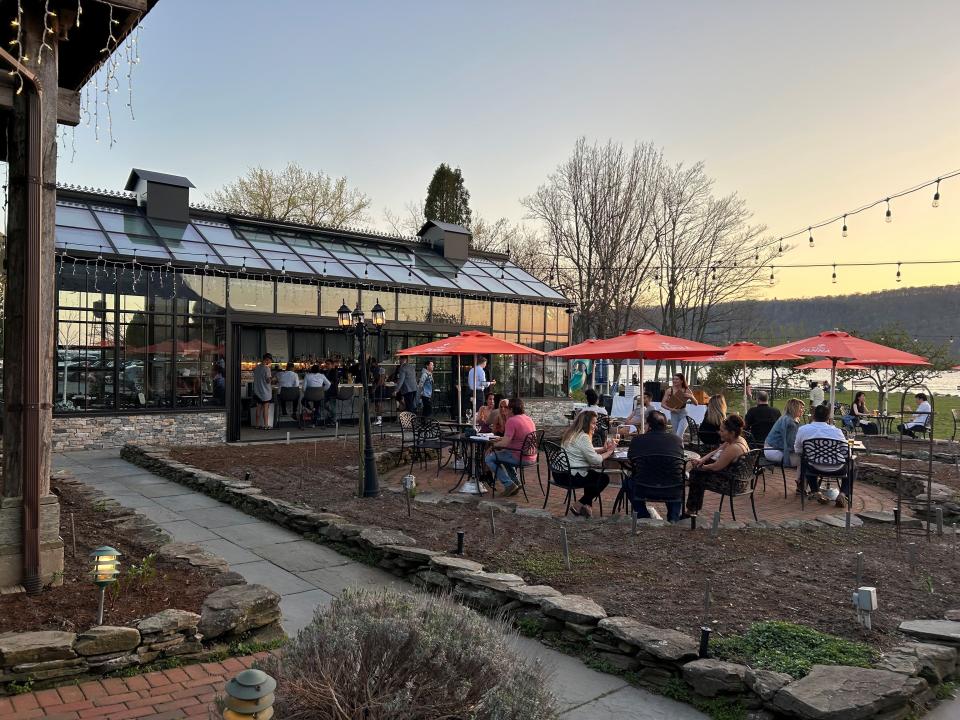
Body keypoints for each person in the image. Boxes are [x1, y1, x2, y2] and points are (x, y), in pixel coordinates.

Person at [685, 415, 750, 516]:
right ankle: (691, 507)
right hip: (737, 478)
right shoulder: (737, 439)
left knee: (696, 475)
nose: (719, 433)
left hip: (733, 483)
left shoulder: (734, 448)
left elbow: (716, 466)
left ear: (732, 433)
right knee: (695, 472)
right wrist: (701, 460)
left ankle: (690, 512)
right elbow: (716, 451)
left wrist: (700, 467)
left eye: (722, 431)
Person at [627, 410, 685, 522]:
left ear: (648, 425)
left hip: (643, 488)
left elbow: (631, 461)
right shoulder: (677, 440)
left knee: (628, 482)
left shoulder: (638, 440)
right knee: (675, 478)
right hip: (671, 489)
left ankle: (643, 515)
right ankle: (673, 519)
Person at [794, 403, 852, 506]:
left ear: (813, 416)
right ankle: (843, 494)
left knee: (806, 460)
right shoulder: (837, 431)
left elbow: (798, 450)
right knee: (852, 465)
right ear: (828, 418)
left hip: (813, 468)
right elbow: (847, 453)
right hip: (837, 469)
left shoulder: (803, 430)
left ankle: (816, 491)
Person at [560, 411, 615, 518]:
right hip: (570, 476)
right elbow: (595, 460)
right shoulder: (583, 437)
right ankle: (579, 504)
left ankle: (587, 508)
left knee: (592, 475)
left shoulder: (573, 433)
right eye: (593, 423)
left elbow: (586, 451)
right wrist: (609, 452)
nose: (596, 426)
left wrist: (603, 449)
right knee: (603, 479)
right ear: (586, 423)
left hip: (560, 473)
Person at [484, 398, 536, 497]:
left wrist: (492, 446)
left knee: (489, 458)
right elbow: (514, 438)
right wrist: (500, 440)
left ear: (511, 409)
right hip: (531, 456)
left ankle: (509, 484)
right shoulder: (528, 419)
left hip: (520, 457)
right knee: (503, 456)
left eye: (507, 408)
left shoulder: (512, 421)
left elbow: (505, 443)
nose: (505, 410)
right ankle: (516, 482)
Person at [763, 398, 804, 473]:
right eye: (801, 408)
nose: (803, 410)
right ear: (794, 408)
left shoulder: (786, 418)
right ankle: (800, 482)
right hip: (774, 451)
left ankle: (800, 481)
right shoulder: (790, 422)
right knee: (806, 460)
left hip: (768, 449)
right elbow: (791, 444)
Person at [661, 373, 697, 437]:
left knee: (679, 434)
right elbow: (662, 404)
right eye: (673, 379)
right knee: (676, 434)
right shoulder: (669, 390)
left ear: (682, 381)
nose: (674, 381)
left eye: (677, 379)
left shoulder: (687, 390)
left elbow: (696, 403)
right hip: (673, 414)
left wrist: (691, 397)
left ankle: (678, 446)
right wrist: (671, 409)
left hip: (683, 414)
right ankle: (680, 447)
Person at [252, 353, 273, 429]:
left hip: (257, 391)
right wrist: (273, 377)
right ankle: (266, 425)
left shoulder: (257, 367)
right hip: (265, 392)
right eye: (270, 360)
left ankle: (257, 425)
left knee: (258, 408)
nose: (270, 362)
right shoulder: (267, 369)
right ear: (267, 359)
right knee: (265, 409)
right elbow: (268, 381)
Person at [367, 357, 386, 426]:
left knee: (379, 404)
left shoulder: (381, 369)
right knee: (376, 404)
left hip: (380, 388)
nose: (371, 365)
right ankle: (378, 418)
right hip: (375, 387)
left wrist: (375, 387)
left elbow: (381, 381)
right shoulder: (372, 370)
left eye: (371, 363)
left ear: (374, 363)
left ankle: (380, 420)